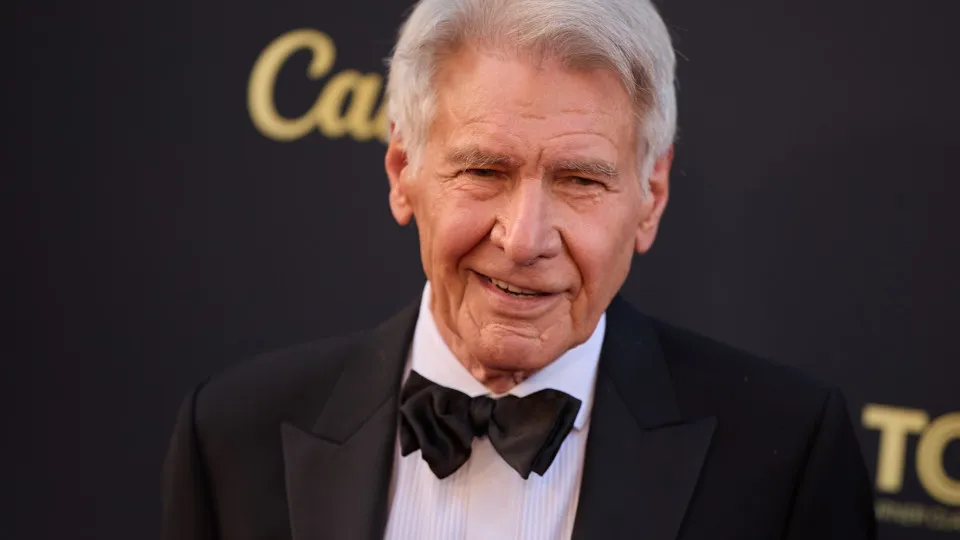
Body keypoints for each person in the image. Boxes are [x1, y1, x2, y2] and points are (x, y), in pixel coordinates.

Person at [161, 0, 877, 538]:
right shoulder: (233, 437)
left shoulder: (785, 456)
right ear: (403, 171)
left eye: (580, 181)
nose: (524, 239)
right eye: (484, 170)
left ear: (650, 197)